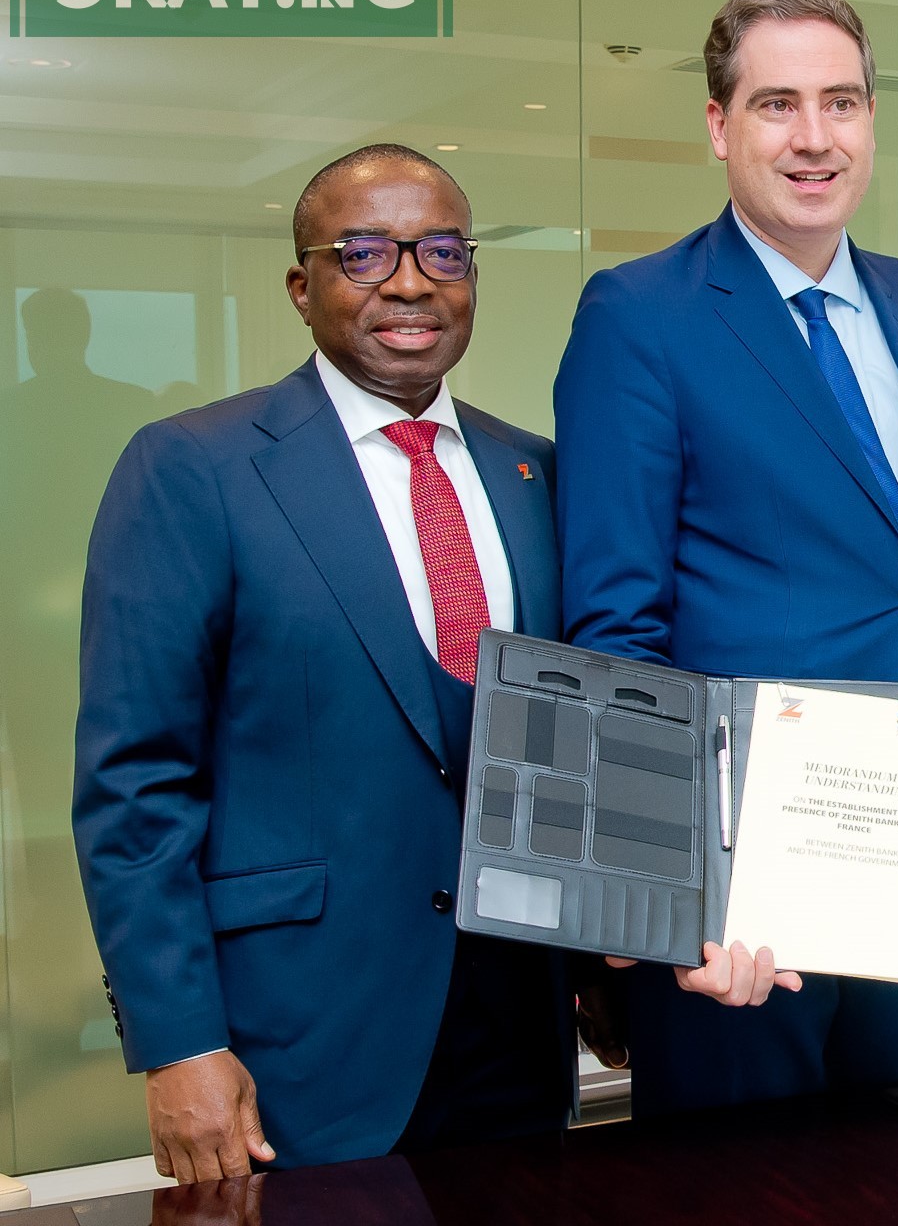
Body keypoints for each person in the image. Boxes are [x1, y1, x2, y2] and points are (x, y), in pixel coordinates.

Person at [553, 0, 898, 1115]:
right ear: (718, 125)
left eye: (840, 103)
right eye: (776, 104)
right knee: (739, 1184)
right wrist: (672, 898)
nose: (813, 137)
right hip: (748, 887)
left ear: (871, 121)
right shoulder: (638, 315)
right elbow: (616, 633)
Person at [73, 145, 573, 1179]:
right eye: (364, 254)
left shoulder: (537, 473)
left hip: (518, 1029)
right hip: (301, 1040)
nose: (410, 282)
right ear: (302, 289)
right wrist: (178, 1040)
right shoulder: (194, 469)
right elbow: (136, 784)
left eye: (442, 252)